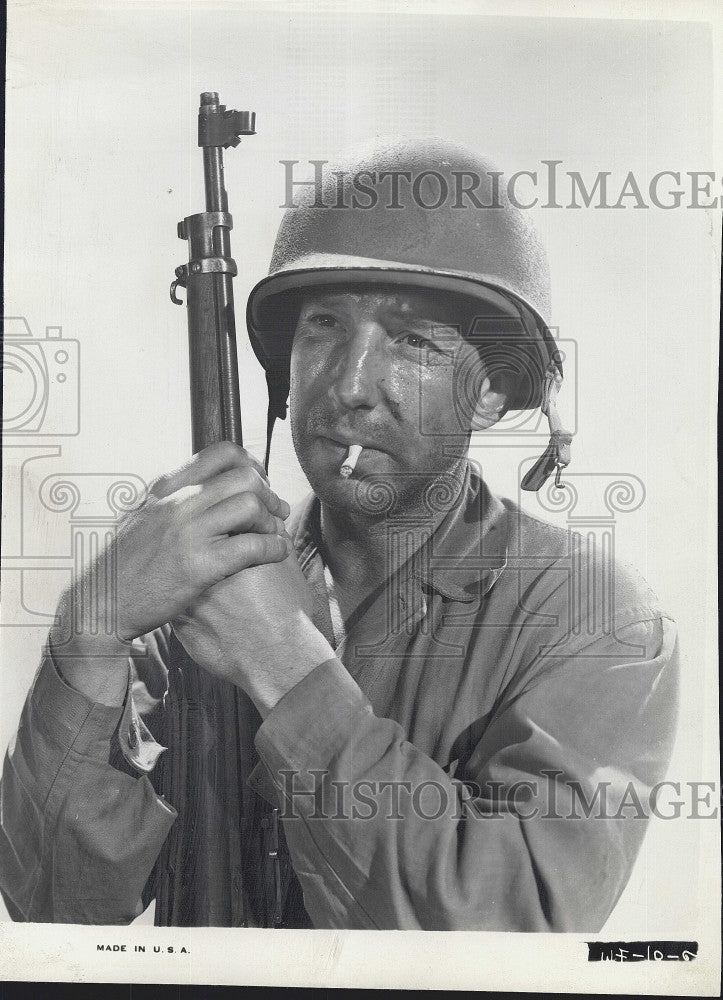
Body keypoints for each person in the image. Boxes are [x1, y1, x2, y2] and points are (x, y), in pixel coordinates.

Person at [0, 140, 679, 931]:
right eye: (323, 328)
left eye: (414, 342)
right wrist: (92, 629)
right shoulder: (206, 583)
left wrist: (287, 667)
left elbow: (514, 926)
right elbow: (58, 908)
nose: (350, 386)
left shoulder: (595, 616)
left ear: (492, 391)